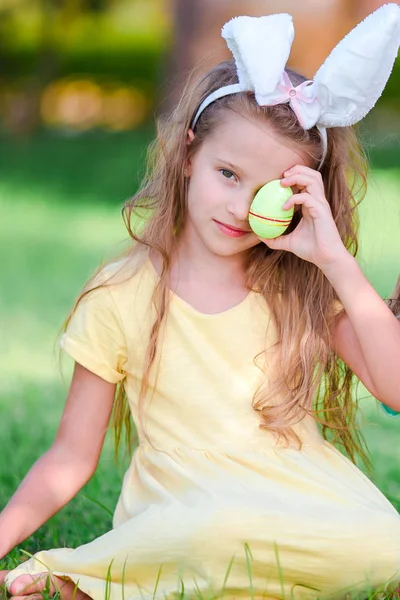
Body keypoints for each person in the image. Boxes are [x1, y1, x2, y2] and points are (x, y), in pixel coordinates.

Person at [1, 6, 400, 600]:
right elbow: (69, 456)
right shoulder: (122, 293)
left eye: (265, 190)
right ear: (188, 154)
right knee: (216, 533)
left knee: (390, 542)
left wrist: (336, 261)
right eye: (228, 174)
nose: (240, 209)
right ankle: (87, 575)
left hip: (301, 497)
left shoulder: (302, 289)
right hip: (188, 507)